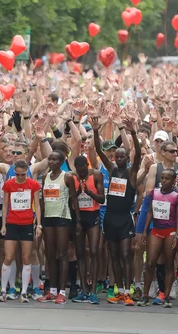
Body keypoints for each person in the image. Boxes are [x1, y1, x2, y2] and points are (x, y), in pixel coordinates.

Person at [93, 116, 141, 307]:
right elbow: (98, 150)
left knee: (125, 255)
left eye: (122, 156)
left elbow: (138, 155)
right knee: (113, 255)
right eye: (117, 156)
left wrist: (133, 133)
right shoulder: (111, 170)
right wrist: (96, 131)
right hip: (110, 218)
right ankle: (119, 291)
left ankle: (128, 291)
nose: (118, 158)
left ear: (127, 159)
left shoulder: (131, 172)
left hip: (124, 219)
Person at [136, 169, 178, 308]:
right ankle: (145, 296)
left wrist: (177, 234)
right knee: (150, 263)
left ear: (173, 180)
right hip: (156, 230)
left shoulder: (177, 196)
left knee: (169, 264)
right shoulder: (154, 193)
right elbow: (150, 213)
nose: (163, 181)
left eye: (167, 178)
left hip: (170, 231)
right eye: (162, 178)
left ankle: (166, 296)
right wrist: (145, 231)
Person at [37, 151, 79, 304]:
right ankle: (52, 290)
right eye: (50, 159)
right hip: (49, 219)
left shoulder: (67, 177)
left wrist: (78, 221)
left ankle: (62, 291)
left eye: (55, 159)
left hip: (63, 218)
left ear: (61, 162)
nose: (51, 162)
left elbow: (74, 199)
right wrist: (39, 221)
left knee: (62, 255)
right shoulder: (45, 177)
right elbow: (43, 200)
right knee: (50, 255)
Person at [0, 160, 42, 304]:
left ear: (27, 173)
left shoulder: (33, 185)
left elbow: (37, 205)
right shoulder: (9, 184)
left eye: (23, 175)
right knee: (9, 257)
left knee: (26, 258)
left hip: (27, 224)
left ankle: (23, 292)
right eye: (17, 174)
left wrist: (39, 224)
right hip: (11, 223)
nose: (20, 177)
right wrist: (3, 225)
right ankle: (3, 290)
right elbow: (5, 205)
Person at [70, 155, 105, 305]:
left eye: (83, 170)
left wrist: (90, 193)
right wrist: (77, 220)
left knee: (94, 251)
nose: (81, 174)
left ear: (87, 166)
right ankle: (84, 289)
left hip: (93, 216)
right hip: (80, 216)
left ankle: (93, 292)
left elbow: (102, 199)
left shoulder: (96, 175)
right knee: (80, 253)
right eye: (79, 171)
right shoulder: (73, 177)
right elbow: (73, 199)